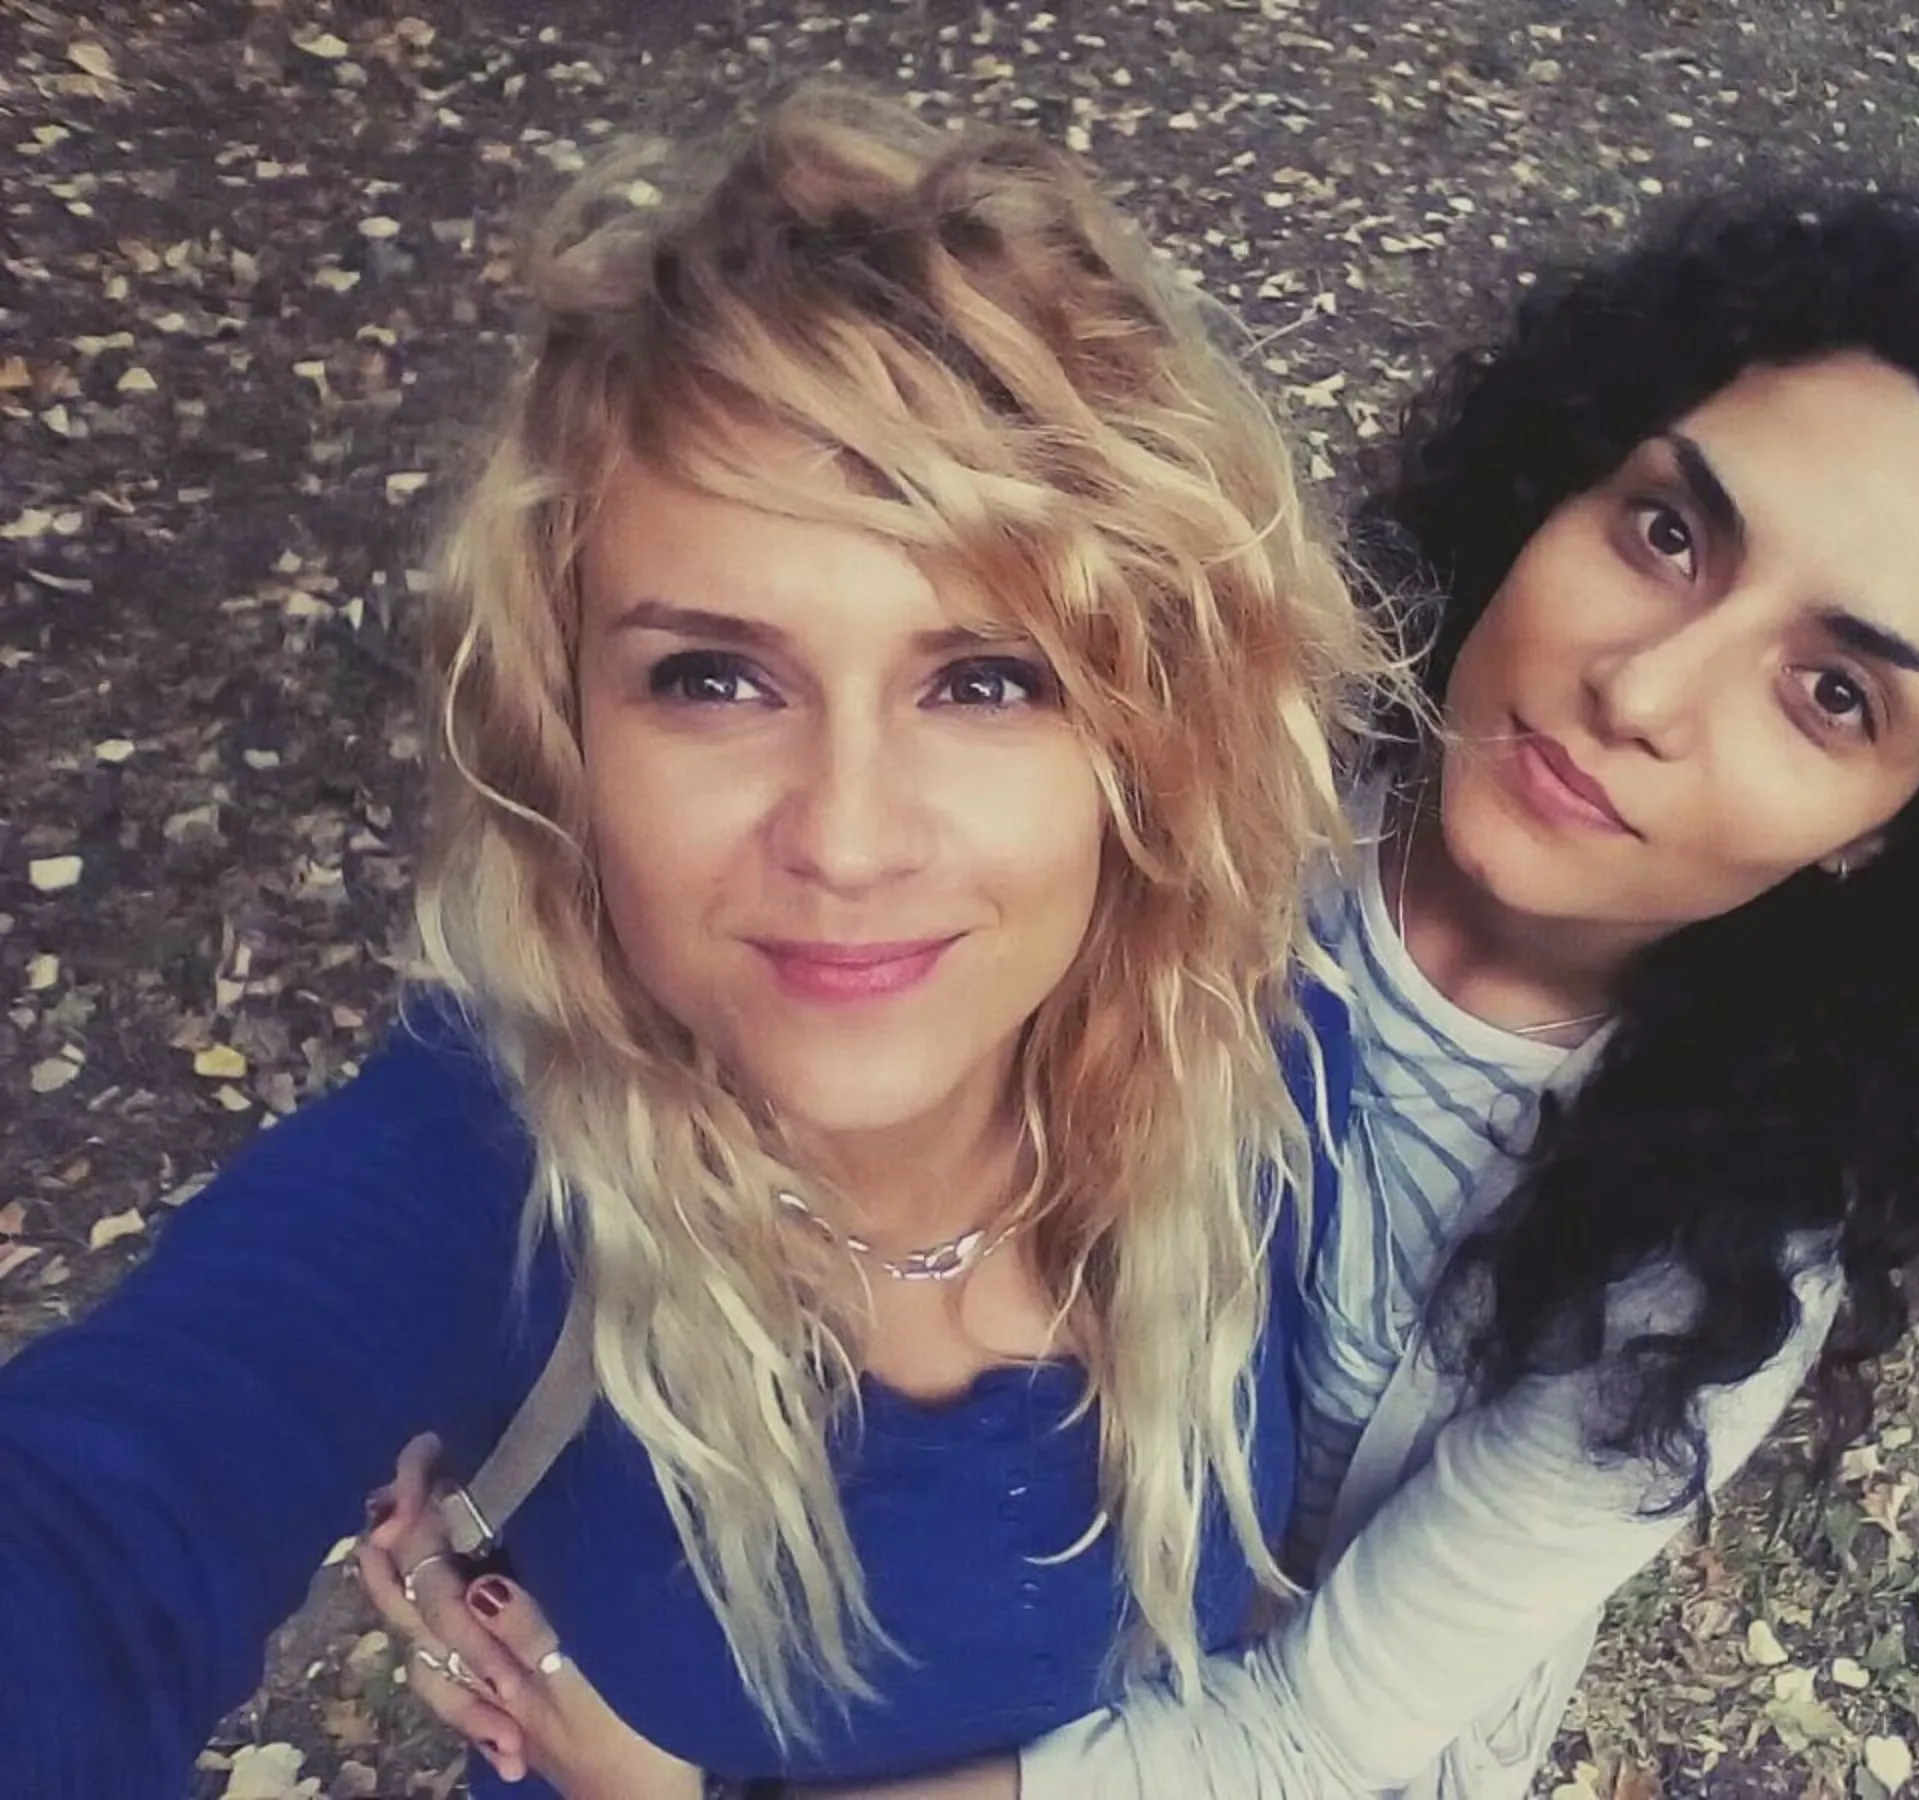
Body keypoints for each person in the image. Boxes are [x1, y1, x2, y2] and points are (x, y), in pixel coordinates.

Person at [381, 188, 1919, 1797]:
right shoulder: (1203, 786)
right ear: (1559, 479)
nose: (1647, 689)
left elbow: (1306, 1736)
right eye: (1668, 530)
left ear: (1901, 830)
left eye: (1835, 693)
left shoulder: (1707, 1272)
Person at [0, 87, 1392, 1800]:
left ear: (1150, 743)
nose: (848, 835)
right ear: (567, 732)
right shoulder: (492, 1170)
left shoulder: (1259, 1067)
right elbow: (104, 1507)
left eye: (988, 679)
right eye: (713, 678)